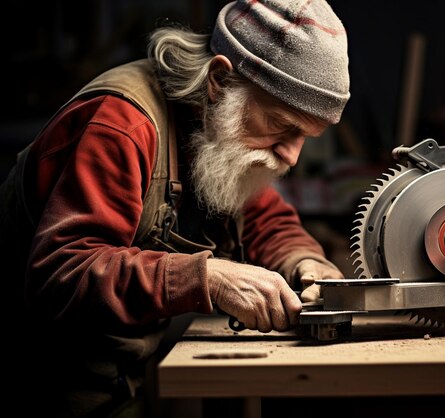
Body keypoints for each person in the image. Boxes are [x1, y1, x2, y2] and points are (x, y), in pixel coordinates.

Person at [0, 0, 349, 416]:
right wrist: (208, 278)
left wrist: (304, 260)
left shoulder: (222, 129)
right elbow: (60, 271)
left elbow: (262, 217)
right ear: (220, 80)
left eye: (306, 136)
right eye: (282, 126)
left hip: (125, 369)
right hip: (47, 380)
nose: (292, 156)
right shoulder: (121, 126)